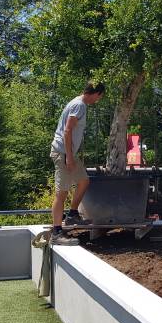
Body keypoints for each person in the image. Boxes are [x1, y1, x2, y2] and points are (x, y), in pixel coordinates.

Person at [49, 82, 105, 245]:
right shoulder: (79, 105)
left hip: (69, 152)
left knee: (83, 181)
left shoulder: (77, 103)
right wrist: (69, 158)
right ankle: (57, 232)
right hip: (63, 152)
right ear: (96, 93)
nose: (98, 100)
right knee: (62, 193)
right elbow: (67, 131)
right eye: (99, 97)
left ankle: (73, 213)